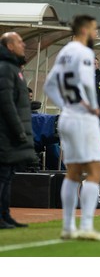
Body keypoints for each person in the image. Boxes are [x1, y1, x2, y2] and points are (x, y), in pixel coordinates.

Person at [44, 15, 100, 241]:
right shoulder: (84, 53)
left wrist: (66, 105)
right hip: (84, 120)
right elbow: (85, 82)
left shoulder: (64, 53)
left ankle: (67, 226)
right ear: (84, 30)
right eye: (95, 29)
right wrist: (90, 106)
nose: (97, 33)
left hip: (67, 118)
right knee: (94, 171)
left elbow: (49, 85)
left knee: (72, 173)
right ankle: (86, 226)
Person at [0, 32, 35, 229]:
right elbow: (6, 104)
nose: (24, 44)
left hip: (11, 133)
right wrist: (18, 131)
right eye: (20, 42)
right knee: (3, 175)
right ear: (10, 46)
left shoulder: (13, 68)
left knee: (9, 174)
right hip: (6, 133)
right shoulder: (5, 68)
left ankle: (5, 215)